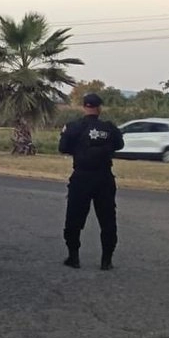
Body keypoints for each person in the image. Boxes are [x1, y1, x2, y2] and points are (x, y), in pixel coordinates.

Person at [58, 92, 125, 271]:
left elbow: (62, 147)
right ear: (99, 108)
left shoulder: (74, 127)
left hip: (81, 176)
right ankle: (106, 260)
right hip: (104, 177)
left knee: (74, 218)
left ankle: (74, 257)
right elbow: (120, 145)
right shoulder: (109, 128)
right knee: (108, 220)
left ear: (84, 107)